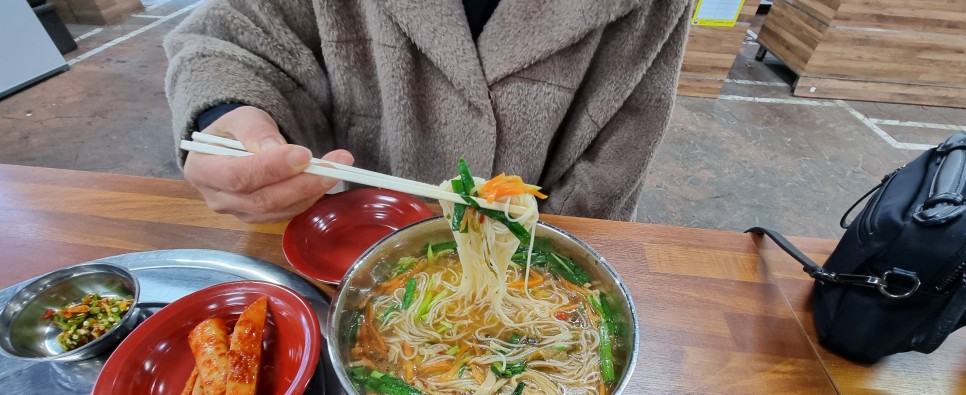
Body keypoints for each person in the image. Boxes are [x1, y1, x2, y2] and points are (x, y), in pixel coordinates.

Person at [164, 0, 692, 224]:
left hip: (548, 255)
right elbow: (233, 34)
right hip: (361, 236)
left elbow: (627, 137)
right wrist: (229, 114)